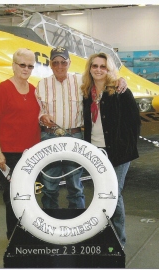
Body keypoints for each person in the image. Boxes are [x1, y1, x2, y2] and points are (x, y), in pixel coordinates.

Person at [35, 46, 127, 210]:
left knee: (75, 185)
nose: (59, 66)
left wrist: (120, 80)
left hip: (74, 136)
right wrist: (42, 117)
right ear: (50, 64)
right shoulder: (41, 85)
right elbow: (38, 110)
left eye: (63, 62)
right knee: (49, 185)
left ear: (69, 63)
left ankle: (77, 224)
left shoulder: (81, 83)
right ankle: (49, 224)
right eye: (55, 62)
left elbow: (103, 82)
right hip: (49, 137)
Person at [81, 52, 141, 248]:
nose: (98, 70)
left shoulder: (120, 91)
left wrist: (126, 147)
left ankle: (118, 242)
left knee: (113, 194)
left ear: (109, 69)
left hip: (118, 152)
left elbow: (135, 122)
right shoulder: (86, 93)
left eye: (103, 66)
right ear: (90, 69)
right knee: (100, 194)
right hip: (95, 151)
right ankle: (103, 236)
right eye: (95, 66)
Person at [0, 48, 40, 239]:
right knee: (12, 198)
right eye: (22, 65)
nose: (26, 69)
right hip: (9, 155)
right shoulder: (3, 89)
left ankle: (26, 232)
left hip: (31, 155)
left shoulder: (34, 91)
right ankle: (14, 237)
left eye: (30, 66)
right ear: (14, 65)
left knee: (28, 197)